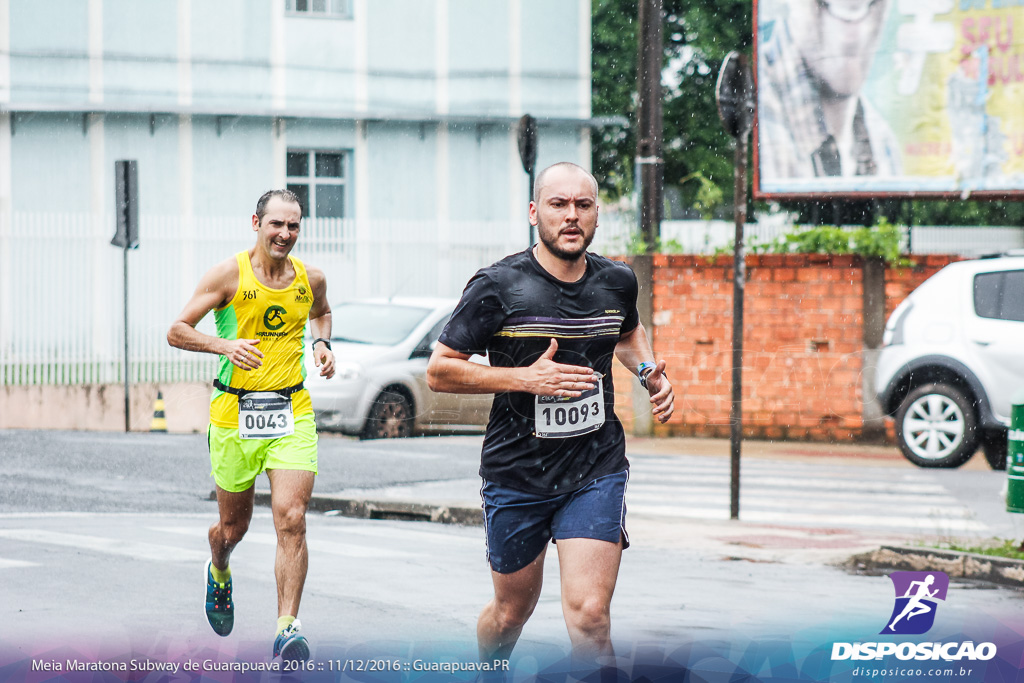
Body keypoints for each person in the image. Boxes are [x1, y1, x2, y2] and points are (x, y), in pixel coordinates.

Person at [426, 162, 674, 670]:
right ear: (535, 212)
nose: (571, 216)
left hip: (595, 466)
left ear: (597, 216)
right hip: (517, 472)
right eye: (559, 205)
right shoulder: (498, 285)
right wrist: (524, 379)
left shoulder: (617, 281)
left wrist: (650, 372)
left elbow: (626, 334)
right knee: (511, 611)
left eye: (583, 205)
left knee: (590, 616)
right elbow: (440, 371)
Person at [167, 189, 335, 661]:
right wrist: (225, 347)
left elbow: (321, 313)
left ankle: (287, 627)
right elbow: (177, 329)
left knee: (293, 519)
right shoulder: (228, 274)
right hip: (233, 416)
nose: (285, 234)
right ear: (256, 223)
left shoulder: (311, 277)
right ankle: (219, 568)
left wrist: (323, 346)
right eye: (276, 224)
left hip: (291, 412)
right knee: (231, 528)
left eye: (294, 226)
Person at [758, 0, 901, 181]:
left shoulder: (883, 144)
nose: (852, 35)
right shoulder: (758, 109)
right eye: (828, 3)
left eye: (869, 3)